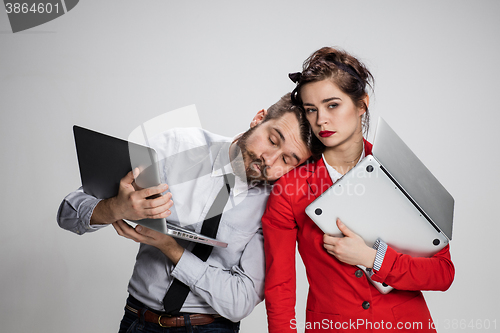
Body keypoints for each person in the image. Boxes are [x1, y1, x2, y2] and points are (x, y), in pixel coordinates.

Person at [57, 94, 312, 333]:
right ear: (259, 119)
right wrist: (115, 208)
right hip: (138, 319)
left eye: (288, 160)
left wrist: (172, 249)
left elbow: (241, 301)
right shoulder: (177, 146)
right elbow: (68, 213)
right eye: (272, 140)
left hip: (212, 327)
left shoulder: (276, 203)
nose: (270, 160)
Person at [262, 47, 455, 333]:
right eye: (311, 109)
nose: (321, 120)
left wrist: (372, 258)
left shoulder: (398, 168)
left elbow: (442, 274)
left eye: (332, 105)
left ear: (361, 104)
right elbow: (280, 287)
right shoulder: (289, 189)